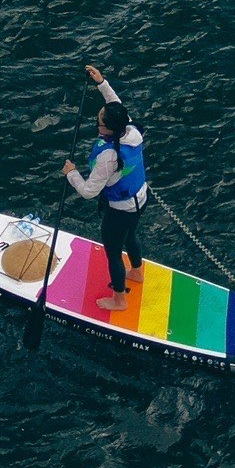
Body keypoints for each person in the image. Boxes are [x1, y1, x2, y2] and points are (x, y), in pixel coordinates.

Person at [62, 64, 149, 310]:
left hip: (120, 209)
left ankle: (119, 299)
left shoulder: (108, 157)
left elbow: (89, 191)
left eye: (99, 121)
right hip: (140, 199)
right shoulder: (130, 129)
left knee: (113, 253)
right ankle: (138, 272)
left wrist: (72, 173)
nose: (97, 123)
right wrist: (101, 83)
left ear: (108, 129)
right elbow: (115, 103)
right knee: (131, 236)